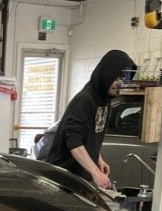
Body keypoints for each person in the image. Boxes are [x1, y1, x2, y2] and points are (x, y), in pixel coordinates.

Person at [46, 49, 136, 190]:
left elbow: (89, 136)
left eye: (124, 80)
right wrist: (95, 172)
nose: (120, 84)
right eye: (117, 78)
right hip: (65, 177)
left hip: (79, 176)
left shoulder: (105, 100)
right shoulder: (85, 99)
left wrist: (98, 159)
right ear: (107, 73)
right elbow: (74, 141)